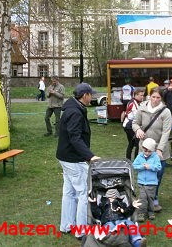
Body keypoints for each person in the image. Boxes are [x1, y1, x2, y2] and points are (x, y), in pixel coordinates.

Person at [56, 82, 101, 238]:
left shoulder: (73, 107)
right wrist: (90, 156)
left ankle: (66, 226)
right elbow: (75, 138)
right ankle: (81, 231)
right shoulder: (75, 112)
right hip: (72, 159)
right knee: (83, 193)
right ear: (85, 96)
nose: (92, 97)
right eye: (91, 94)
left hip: (65, 157)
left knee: (69, 192)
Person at [132, 87, 172, 213]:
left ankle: (154, 198)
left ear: (161, 98)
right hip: (144, 149)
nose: (155, 100)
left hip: (159, 149)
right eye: (153, 97)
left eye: (158, 97)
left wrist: (159, 149)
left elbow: (166, 132)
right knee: (144, 174)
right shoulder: (142, 108)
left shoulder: (166, 112)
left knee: (156, 176)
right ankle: (144, 198)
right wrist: (137, 129)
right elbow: (135, 122)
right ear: (149, 96)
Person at [133, 138, 162, 223]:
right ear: (143, 149)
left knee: (150, 198)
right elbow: (134, 165)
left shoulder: (156, 157)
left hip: (152, 183)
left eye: (149, 151)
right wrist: (142, 166)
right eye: (145, 151)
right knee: (142, 198)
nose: (147, 153)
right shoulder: (139, 156)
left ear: (152, 150)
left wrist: (150, 167)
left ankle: (150, 211)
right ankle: (141, 213)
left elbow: (158, 167)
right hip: (141, 182)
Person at [123, 88, 145, 160]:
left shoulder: (134, 102)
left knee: (131, 144)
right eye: (141, 95)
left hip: (128, 124)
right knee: (138, 143)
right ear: (136, 95)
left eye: (143, 95)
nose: (142, 97)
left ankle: (128, 160)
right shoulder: (133, 103)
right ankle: (135, 160)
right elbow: (137, 116)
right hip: (129, 125)